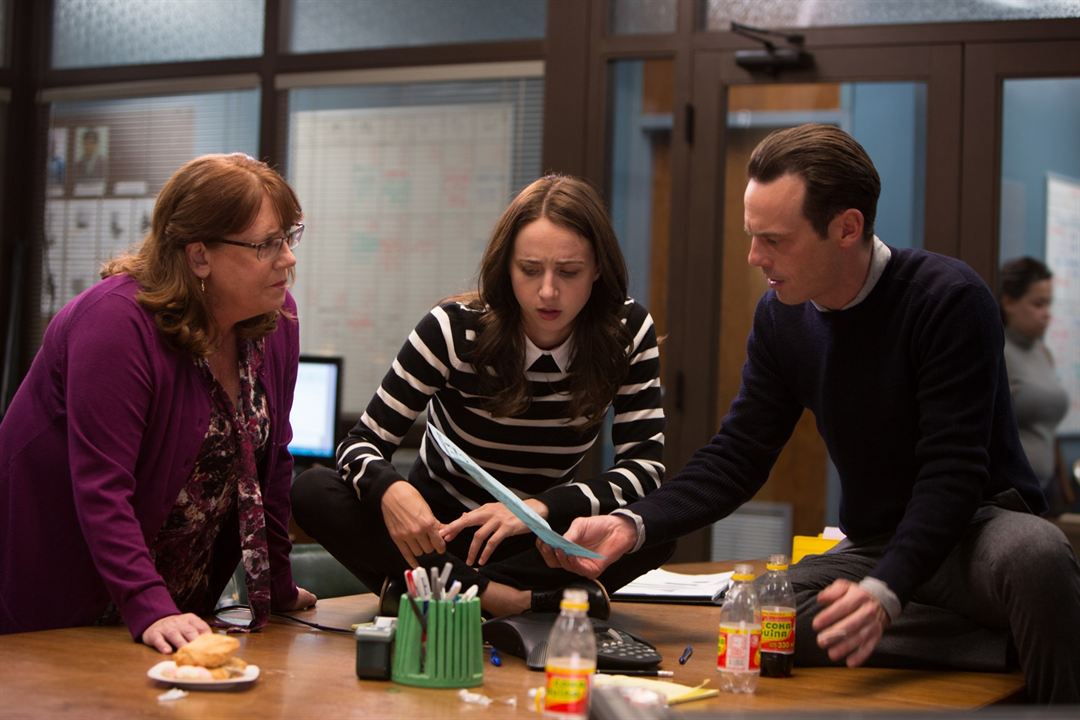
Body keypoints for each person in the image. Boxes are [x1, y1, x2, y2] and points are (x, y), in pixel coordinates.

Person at [540, 124, 1080, 704]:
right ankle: (1001, 644)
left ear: (846, 227)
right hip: (876, 540)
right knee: (754, 617)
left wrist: (885, 590)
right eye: (752, 236)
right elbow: (737, 457)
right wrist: (631, 524)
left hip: (976, 533)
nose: (754, 257)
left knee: (1037, 557)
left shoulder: (947, 298)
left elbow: (952, 473)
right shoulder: (780, 319)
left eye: (774, 240)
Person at [291, 174, 671, 619]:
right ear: (506, 267)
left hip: (538, 539)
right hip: (438, 536)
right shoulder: (453, 329)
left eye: (569, 272)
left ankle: (435, 594)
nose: (548, 291)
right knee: (312, 489)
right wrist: (390, 489)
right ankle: (506, 601)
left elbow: (645, 469)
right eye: (530, 270)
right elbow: (359, 445)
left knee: (657, 527)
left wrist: (538, 510)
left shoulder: (627, 332)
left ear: (598, 269)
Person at [0, 153, 317, 653]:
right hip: (66, 599)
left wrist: (277, 585)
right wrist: (148, 604)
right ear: (198, 256)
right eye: (266, 245)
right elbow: (103, 487)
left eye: (289, 237)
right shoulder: (114, 324)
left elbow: (270, 464)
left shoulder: (276, 321)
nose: (288, 259)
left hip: (175, 609)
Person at [999, 256, 1072, 515]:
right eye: (1038, 304)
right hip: (1011, 496)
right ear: (1009, 302)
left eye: (1048, 304)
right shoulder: (998, 351)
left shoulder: (1043, 353)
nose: (1046, 314)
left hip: (1047, 490)